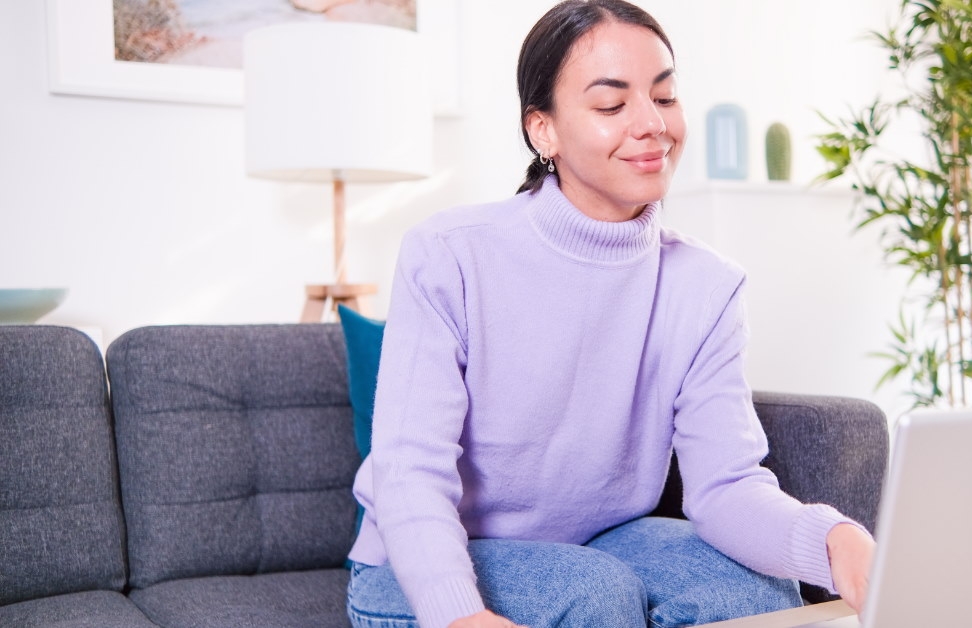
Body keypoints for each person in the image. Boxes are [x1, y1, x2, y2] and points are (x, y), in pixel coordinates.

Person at [344, 1, 876, 627]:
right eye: (611, 104)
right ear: (542, 130)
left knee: (753, 591)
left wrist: (834, 540)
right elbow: (410, 473)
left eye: (665, 96)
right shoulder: (449, 255)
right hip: (416, 569)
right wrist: (457, 616)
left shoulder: (707, 286)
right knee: (594, 595)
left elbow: (726, 486)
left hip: (599, 541)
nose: (652, 124)